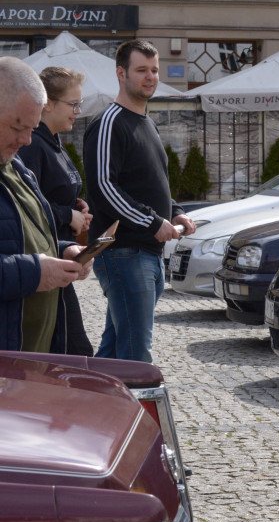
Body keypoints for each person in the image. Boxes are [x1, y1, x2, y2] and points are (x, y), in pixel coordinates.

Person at [84, 40, 195, 363]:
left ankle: (95, 395)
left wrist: (176, 212)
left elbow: (150, 184)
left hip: (146, 253)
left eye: (155, 70)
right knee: (135, 354)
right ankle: (137, 398)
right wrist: (152, 221)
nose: (150, 77)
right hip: (123, 252)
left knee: (116, 349)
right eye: (141, 70)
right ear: (121, 73)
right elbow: (104, 186)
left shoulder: (147, 122)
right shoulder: (109, 123)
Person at [0, 57, 89, 353]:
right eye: (18, 126)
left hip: (30, 356)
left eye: (33, 127)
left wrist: (61, 250)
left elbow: (25, 236)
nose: (27, 140)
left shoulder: (15, 167)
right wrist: (37, 272)